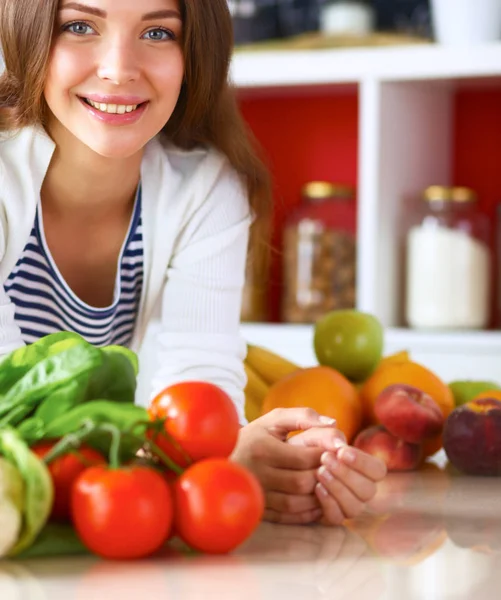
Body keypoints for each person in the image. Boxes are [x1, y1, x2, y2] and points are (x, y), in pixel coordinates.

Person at [0, 0, 386, 526]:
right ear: (27, 34)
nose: (118, 67)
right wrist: (196, 462)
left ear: (195, 53)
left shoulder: (205, 190)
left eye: (158, 32)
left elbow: (200, 387)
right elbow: (13, 418)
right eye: (80, 26)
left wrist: (244, 458)